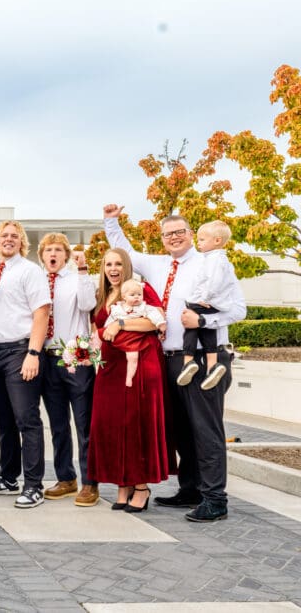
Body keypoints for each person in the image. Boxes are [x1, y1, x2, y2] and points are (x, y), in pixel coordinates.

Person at [104, 205, 245, 522]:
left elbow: (238, 309)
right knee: (181, 429)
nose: (174, 238)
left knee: (206, 430)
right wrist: (111, 221)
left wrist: (204, 320)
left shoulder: (211, 263)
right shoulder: (157, 264)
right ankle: (191, 488)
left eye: (180, 232)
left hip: (202, 358)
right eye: (168, 234)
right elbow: (125, 251)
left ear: (192, 234)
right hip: (168, 358)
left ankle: (215, 498)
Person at [87, 248, 169, 512]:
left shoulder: (141, 289)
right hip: (110, 368)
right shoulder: (102, 296)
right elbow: (96, 330)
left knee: (136, 424)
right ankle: (123, 484)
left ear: (127, 266)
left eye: (119, 263)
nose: (113, 268)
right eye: (108, 264)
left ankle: (141, 486)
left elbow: (155, 322)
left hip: (140, 364)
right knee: (111, 425)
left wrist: (120, 324)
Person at [0, 220, 51, 508]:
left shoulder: (29, 271)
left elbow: (42, 312)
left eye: (14, 236)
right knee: (4, 421)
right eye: (4, 235)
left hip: (20, 352)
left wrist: (33, 354)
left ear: (21, 241)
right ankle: (9, 476)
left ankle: (34, 485)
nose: (8, 239)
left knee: (27, 420)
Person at [37, 233, 99, 507]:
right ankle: (66, 478)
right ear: (42, 256)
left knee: (84, 425)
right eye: (47, 250)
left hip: (76, 358)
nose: (52, 254)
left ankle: (90, 483)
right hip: (48, 360)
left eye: (57, 250)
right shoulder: (38, 281)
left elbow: (88, 305)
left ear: (65, 255)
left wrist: (83, 269)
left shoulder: (78, 279)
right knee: (58, 425)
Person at [177, 220, 237, 391]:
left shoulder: (214, 259)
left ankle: (188, 362)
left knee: (190, 327)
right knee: (208, 329)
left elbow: (213, 281)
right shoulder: (220, 259)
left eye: (202, 240)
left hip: (202, 301)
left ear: (217, 241)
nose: (198, 243)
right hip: (214, 304)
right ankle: (212, 366)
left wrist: (205, 297)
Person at [104, 279, 168, 388]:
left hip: (137, 340)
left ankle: (129, 376)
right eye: (132, 295)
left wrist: (160, 323)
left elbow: (155, 315)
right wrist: (108, 328)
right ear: (124, 297)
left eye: (139, 294)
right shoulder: (118, 308)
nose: (137, 297)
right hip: (121, 342)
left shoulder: (144, 307)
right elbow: (111, 320)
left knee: (133, 357)